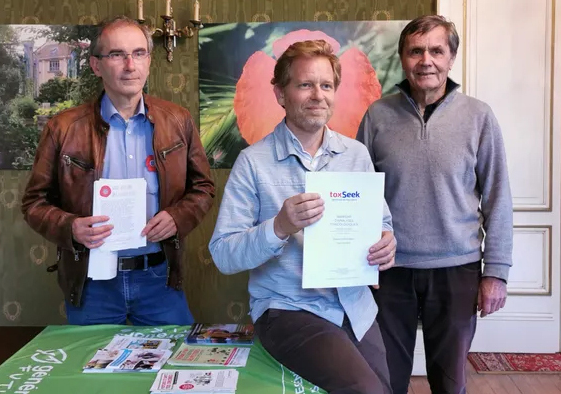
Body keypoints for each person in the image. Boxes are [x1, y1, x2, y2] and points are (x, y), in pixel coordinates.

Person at [209, 39, 396, 394]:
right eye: (305, 85)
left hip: (354, 306)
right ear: (280, 94)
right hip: (287, 309)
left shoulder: (356, 155)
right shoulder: (253, 163)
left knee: (388, 387)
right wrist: (278, 227)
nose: (317, 95)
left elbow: (381, 225)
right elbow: (223, 254)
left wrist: (387, 243)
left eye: (326, 85)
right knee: (366, 391)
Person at [22, 16, 215, 326]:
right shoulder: (63, 128)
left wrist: (178, 217)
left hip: (159, 279)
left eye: (139, 53)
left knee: (170, 367)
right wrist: (70, 227)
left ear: (149, 61)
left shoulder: (177, 121)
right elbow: (34, 203)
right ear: (96, 65)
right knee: (92, 372)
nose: (130, 64)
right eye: (117, 55)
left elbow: (204, 187)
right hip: (92, 282)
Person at [356, 15, 513, 394]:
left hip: (456, 270)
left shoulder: (479, 117)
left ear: (451, 58)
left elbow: (498, 197)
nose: (426, 60)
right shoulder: (377, 116)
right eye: (415, 51)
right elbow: (357, 193)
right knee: (385, 378)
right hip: (388, 270)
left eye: (436, 50)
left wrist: (496, 272)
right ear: (403, 58)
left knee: (450, 382)